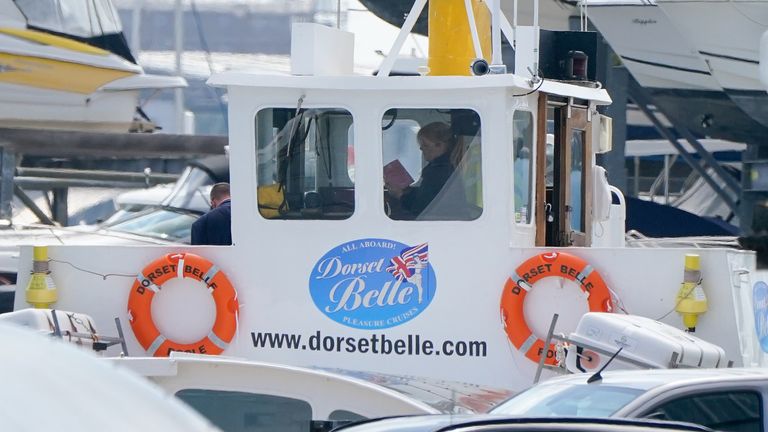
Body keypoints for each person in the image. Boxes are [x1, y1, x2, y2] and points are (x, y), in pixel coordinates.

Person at [386, 122, 467, 219]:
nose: (421, 148)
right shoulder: (445, 168)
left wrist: (399, 195)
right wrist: (407, 191)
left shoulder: (439, 172)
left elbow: (422, 210)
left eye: (425, 144)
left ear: (439, 145)